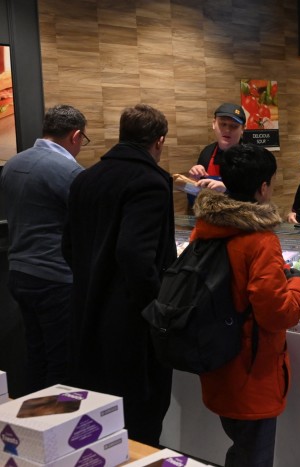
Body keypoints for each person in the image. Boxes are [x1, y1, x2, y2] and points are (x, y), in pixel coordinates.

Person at [62, 103, 176, 446]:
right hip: (131, 325)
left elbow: (68, 245)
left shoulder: (85, 178)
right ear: (158, 141)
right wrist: (155, 307)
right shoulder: (150, 182)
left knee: (101, 418)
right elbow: (134, 254)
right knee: (142, 418)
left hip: (86, 311)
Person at [191, 144, 300, 467]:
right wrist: (298, 282)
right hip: (252, 370)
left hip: (217, 362)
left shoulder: (204, 230)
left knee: (239, 448)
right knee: (254, 455)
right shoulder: (259, 240)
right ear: (262, 188)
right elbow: (276, 312)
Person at [0, 104, 87, 394]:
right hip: (55, 277)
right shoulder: (68, 171)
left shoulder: (14, 163)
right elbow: (86, 223)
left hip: (18, 273)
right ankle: (57, 429)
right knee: (61, 361)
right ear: (75, 136)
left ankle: (34, 428)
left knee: (35, 354)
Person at [188, 103, 246, 193]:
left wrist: (227, 190)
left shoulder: (253, 157)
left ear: (242, 129)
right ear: (214, 124)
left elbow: (259, 197)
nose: (227, 130)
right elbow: (196, 196)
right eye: (223, 124)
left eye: (234, 126)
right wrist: (193, 180)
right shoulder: (206, 153)